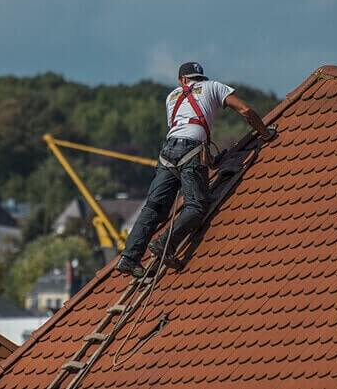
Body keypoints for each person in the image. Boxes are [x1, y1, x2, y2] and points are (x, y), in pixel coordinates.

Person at [116, 61, 273, 278]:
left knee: (153, 208)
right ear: (201, 77)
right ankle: (165, 244)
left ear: (182, 80)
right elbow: (245, 110)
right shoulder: (214, 87)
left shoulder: (171, 97)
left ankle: (129, 257)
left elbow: (182, 127)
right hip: (191, 150)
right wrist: (265, 133)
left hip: (168, 153)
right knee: (197, 206)